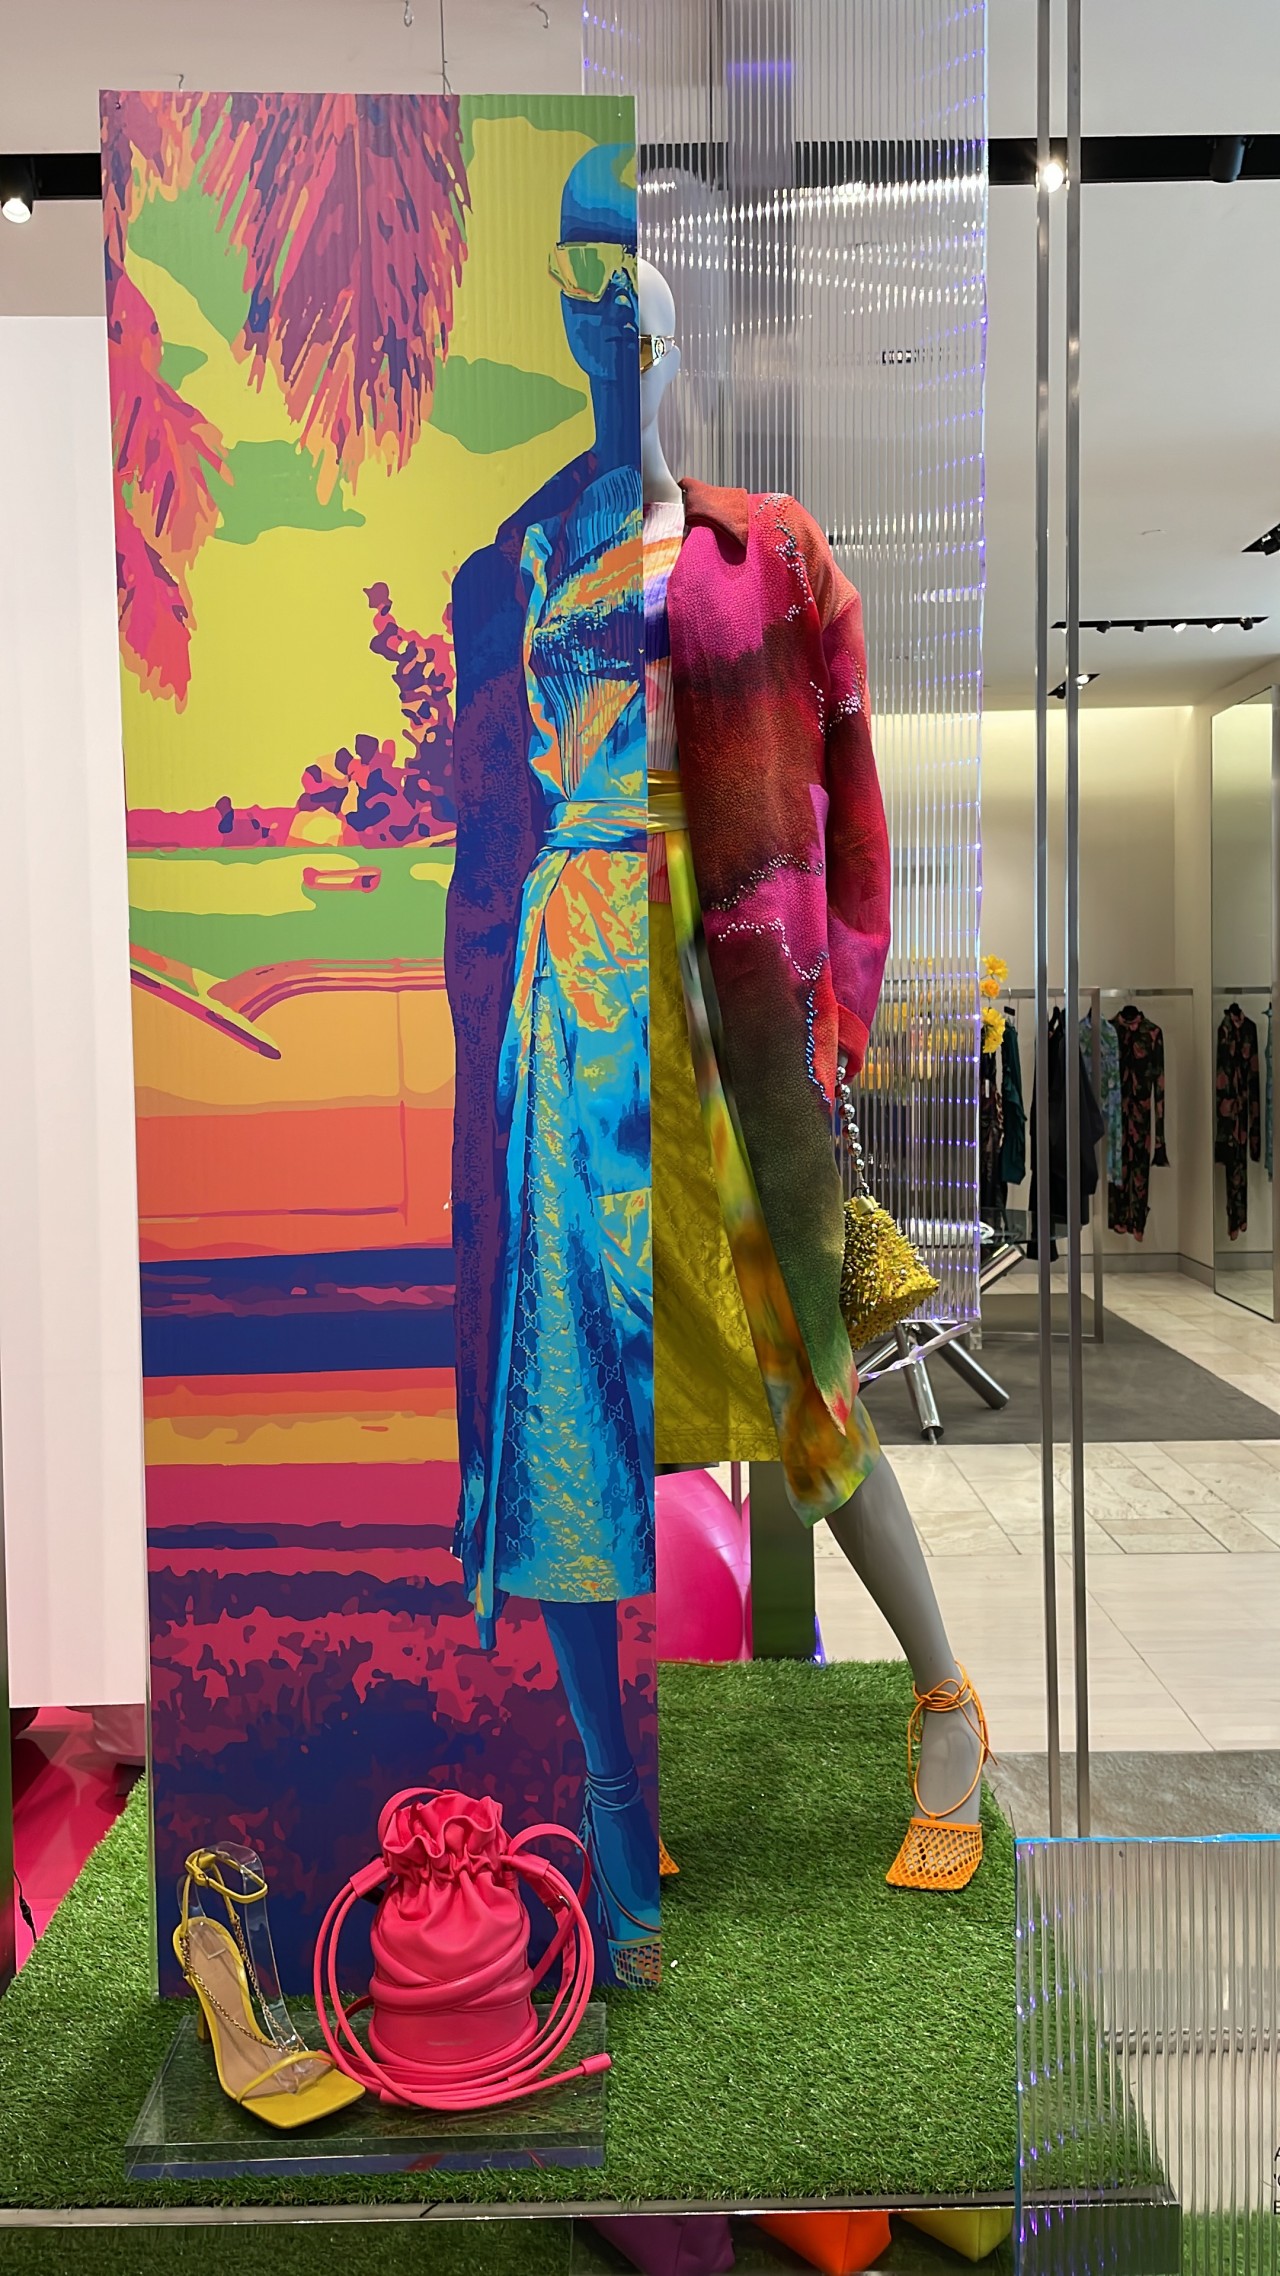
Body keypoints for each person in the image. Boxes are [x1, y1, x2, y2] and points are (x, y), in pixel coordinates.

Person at [444, 146, 659, 1987]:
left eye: (626, 271)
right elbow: (482, 828)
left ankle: (910, 1682)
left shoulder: (721, 532)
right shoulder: (519, 549)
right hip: (567, 971)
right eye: (576, 271)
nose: (601, 305)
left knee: (754, 1371)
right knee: (573, 1392)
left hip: (691, 970)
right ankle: (607, 1788)